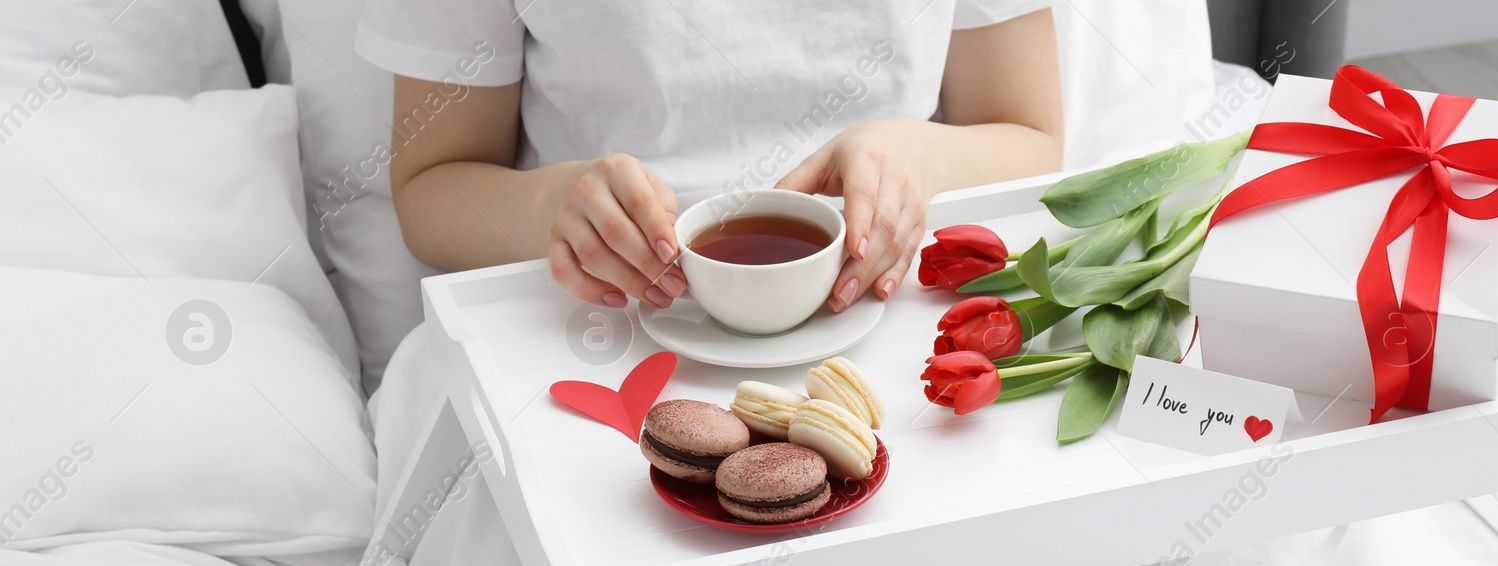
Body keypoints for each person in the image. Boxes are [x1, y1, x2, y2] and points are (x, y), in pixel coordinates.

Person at [356, 2, 1063, 314]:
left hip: (888, 314)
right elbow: (432, 186)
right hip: (602, 320)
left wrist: (916, 156)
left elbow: (1030, 138)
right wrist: (553, 208)